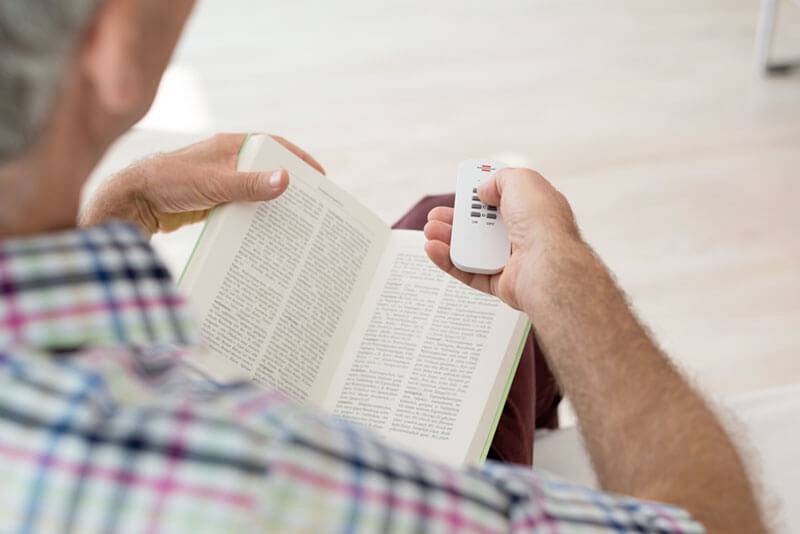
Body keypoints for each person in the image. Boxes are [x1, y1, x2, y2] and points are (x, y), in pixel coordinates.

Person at [0, 0, 765, 532]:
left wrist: (119, 211)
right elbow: (713, 524)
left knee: (441, 225)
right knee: (493, 289)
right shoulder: (269, 479)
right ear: (112, 49)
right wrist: (566, 280)